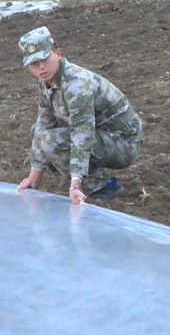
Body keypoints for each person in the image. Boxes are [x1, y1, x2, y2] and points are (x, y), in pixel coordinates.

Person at [15, 26, 143, 205]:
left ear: (58, 54)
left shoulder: (76, 84)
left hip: (123, 142)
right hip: (101, 136)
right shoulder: (46, 82)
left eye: (45, 59)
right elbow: (43, 124)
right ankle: (81, 184)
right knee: (38, 132)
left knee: (52, 141)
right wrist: (33, 176)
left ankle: (103, 186)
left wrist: (76, 182)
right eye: (34, 63)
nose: (41, 67)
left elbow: (82, 131)